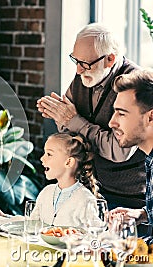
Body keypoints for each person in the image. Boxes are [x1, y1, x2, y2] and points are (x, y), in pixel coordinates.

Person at [36, 23, 145, 210]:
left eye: (85, 64)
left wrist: (75, 122)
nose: (78, 71)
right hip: (92, 190)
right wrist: (64, 120)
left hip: (131, 201)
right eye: (75, 61)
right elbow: (68, 131)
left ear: (110, 59)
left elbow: (119, 150)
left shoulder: (133, 84)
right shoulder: (84, 75)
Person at [108, 69, 153, 234]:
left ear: (150, 117)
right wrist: (141, 214)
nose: (112, 122)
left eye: (121, 113)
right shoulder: (150, 160)